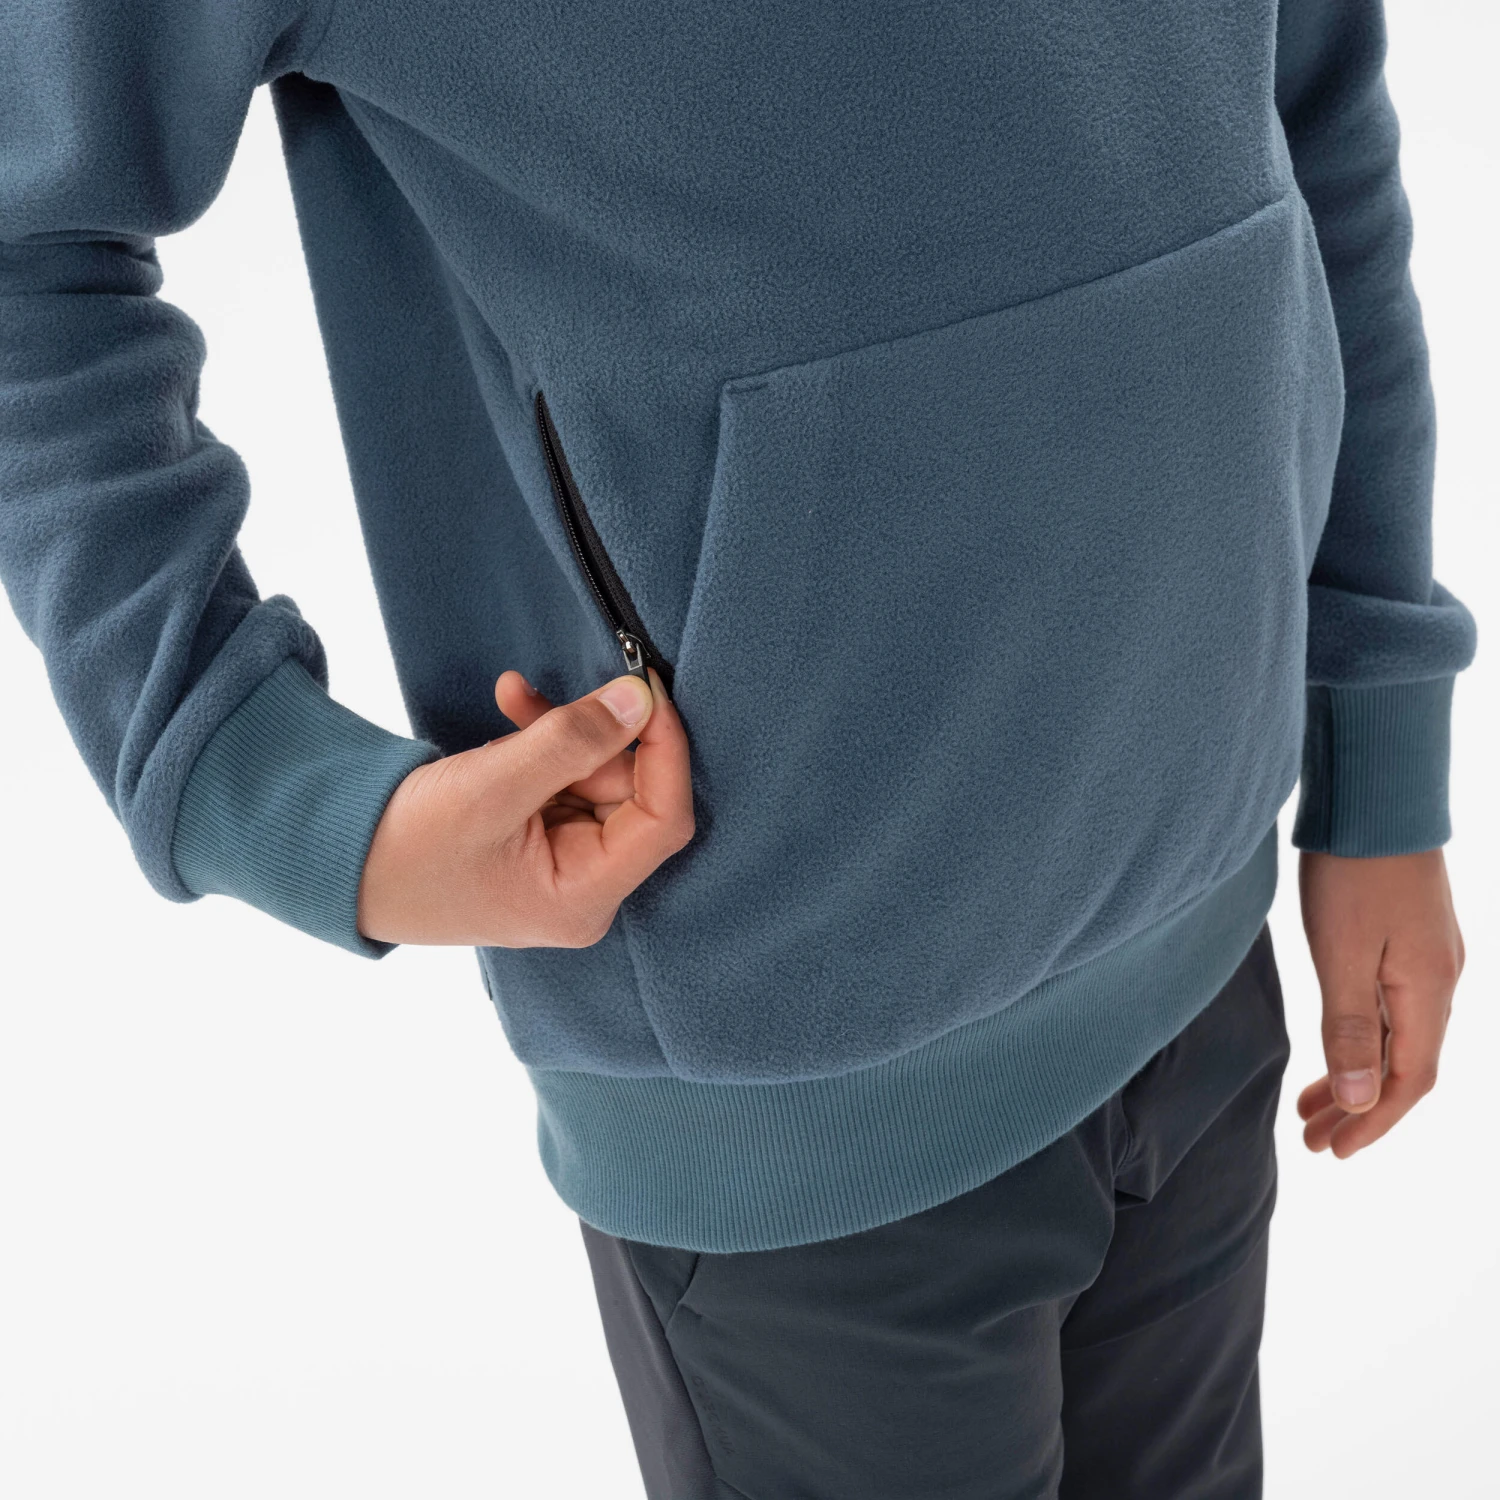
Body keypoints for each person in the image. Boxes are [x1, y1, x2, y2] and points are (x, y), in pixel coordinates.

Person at [0, 2, 1476, 1495]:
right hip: (795, 1077)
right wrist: (269, 785)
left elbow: (1309, 87)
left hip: (1205, 926)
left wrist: (1377, 759)